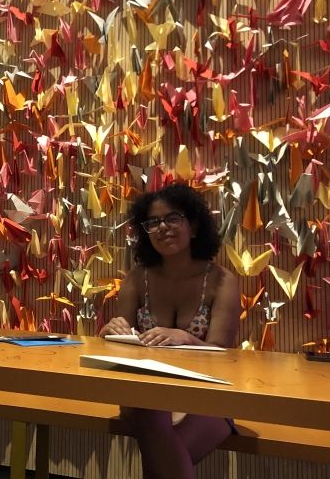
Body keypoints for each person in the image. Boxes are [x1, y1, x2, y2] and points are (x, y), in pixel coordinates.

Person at [99, 183, 240, 479]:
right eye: (153, 223)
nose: (163, 227)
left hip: (205, 397)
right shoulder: (137, 279)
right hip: (145, 395)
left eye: (173, 218)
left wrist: (187, 338)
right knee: (149, 410)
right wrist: (111, 330)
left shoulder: (221, 280)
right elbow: (116, 344)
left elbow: (224, 355)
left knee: (160, 465)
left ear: (194, 226)